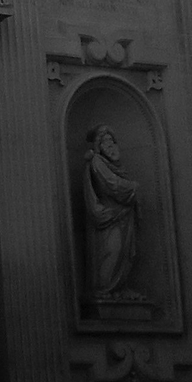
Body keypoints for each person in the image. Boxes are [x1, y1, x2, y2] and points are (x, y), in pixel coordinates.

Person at [83, 126, 139, 298]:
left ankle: (119, 288)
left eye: (111, 141)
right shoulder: (97, 162)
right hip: (109, 215)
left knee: (124, 254)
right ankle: (105, 289)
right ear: (99, 145)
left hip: (123, 215)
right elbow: (111, 184)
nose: (109, 145)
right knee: (112, 251)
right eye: (105, 141)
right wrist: (132, 187)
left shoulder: (116, 166)